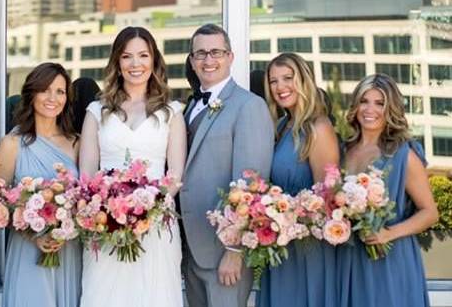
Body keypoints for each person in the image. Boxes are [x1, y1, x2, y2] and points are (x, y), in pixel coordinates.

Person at [79, 26, 187, 307]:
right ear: (117, 62)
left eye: (143, 55)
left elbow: (174, 175)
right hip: (105, 226)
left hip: (156, 224)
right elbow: (87, 175)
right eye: (127, 56)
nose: (135, 64)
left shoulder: (172, 112)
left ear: (154, 60)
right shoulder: (96, 111)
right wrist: (108, 211)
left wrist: (145, 210)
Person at [180, 24, 274, 307]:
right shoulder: (190, 106)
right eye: (200, 54)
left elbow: (251, 185)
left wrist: (235, 249)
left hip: (223, 251)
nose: (209, 60)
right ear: (192, 61)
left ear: (230, 56)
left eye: (216, 52)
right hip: (188, 247)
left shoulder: (249, 106)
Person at [337, 73, 438, 307]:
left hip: (389, 260)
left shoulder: (404, 156)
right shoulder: (342, 150)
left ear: (390, 108)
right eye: (364, 101)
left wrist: (388, 233)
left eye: (379, 103)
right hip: (349, 259)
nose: (369, 109)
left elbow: (430, 212)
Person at [0, 62, 81, 307]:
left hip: (68, 249)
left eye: (60, 91)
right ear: (32, 94)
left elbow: (84, 198)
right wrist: (33, 234)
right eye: (45, 90)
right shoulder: (11, 144)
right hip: (28, 249)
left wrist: (68, 225)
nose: (53, 98)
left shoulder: (76, 143)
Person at [257, 52, 340, 307]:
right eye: (273, 81)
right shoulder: (282, 126)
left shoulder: (318, 127)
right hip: (281, 243)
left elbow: (327, 200)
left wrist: (288, 215)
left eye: (288, 78)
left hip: (309, 248)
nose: (280, 87)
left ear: (303, 80)